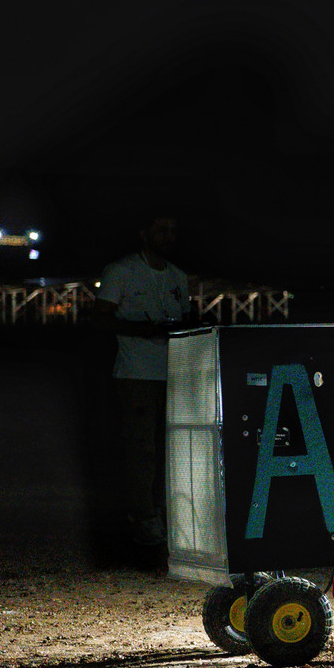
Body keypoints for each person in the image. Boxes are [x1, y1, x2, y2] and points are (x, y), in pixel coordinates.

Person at [93, 211, 192, 555]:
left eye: (172, 230)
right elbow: (101, 319)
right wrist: (141, 329)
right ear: (143, 233)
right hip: (136, 374)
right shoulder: (120, 271)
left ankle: (164, 513)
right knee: (142, 449)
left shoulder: (178, 277)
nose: (168, 236)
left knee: (171, 449)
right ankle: (143, 517)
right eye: (161, 229)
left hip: (174, 374)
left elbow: (186, 319)